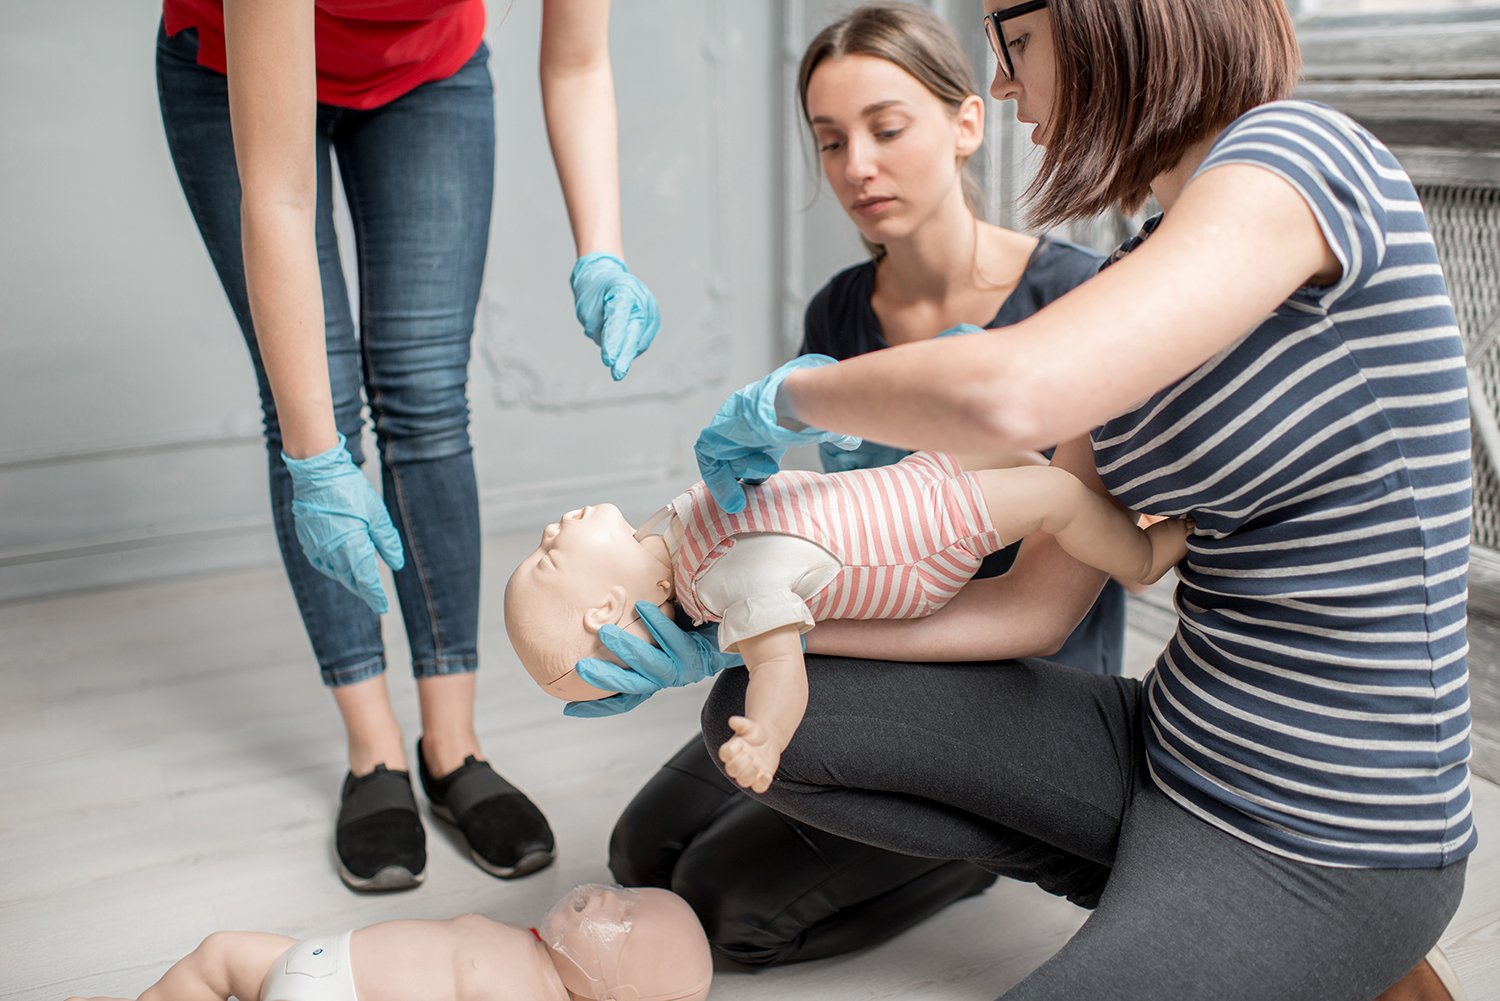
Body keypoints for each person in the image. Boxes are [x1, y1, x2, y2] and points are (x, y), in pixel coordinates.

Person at [575, 1, 1478, 998]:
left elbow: (1012, 390)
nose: (1001, 83)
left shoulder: (1304, 155)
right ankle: (1213, 920)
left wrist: (788, 394)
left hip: (1329, 833)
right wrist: (744, 631)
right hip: (1166, 748)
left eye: (1015, 41)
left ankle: (1327, 942)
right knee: (762, 709)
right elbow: (1032, 607)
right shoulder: (1138, 269)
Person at [597, 3, 1127, 969]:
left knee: (728, 912)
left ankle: (973, 841)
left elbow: (1045, 609)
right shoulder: (840, 308)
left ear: (967, 123)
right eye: (831, 141)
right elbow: (824, 538)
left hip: (1009, 672)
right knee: (642, 852)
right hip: (867, 650)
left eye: (886, 129)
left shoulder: (1077, 303)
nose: (856, 169)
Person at [156, 0, 660, 891]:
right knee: (314, 409)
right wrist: (316, 461)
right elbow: (275, 195)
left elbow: (578, 63)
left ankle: (452, 748)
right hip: (231, 68)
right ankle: (373, 753)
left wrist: (603, 251)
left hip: (427, 75)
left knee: (428, 401)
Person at [504, 451, 1189, 789]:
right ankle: (1144, 554)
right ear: (602, 609)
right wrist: (765, 737)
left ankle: (1127, 515)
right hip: (919, 541)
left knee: (1019, 454)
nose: (547, 531)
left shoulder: (676, 530)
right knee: (1054, 494)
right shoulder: (728, 582)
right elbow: (781, 670)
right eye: (547, 560)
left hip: (907, 481)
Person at [63, 884, 712, 1001]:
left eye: (623, 923)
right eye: (625, 890)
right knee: (220, 951)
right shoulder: (533, 943)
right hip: (314, 961)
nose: (606, 899)